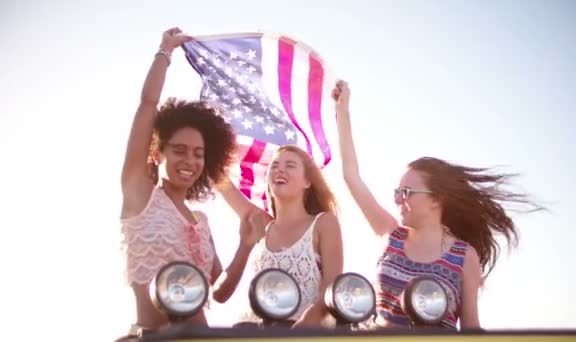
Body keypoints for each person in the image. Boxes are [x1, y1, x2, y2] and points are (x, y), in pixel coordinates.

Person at [332, 80, 543, 330]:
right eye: (398, 191)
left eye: (407, 192)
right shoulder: (392, 235)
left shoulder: (464, 257)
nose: (398, 198)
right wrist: (342, 112)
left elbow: (471, 328)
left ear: (436, 199)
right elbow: (351, 176)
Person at [119, 27, 263, 335]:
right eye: (180, 150)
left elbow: (220, 292)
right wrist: (165, 52)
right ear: (158, 153)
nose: (190, 161)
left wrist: (246, 246)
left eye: (198, 154)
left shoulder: (201, 221)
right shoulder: (140, 194)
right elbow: (147, 106)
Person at [215, 144, 344, 327]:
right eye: (274, 166)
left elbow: (331, 288)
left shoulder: (324, 223)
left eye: (290, 165)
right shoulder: (262, 225)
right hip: (251, 330)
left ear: (307, 182)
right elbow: (222, 184)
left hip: (301, 333)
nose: (279, 170)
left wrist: (303, 327)